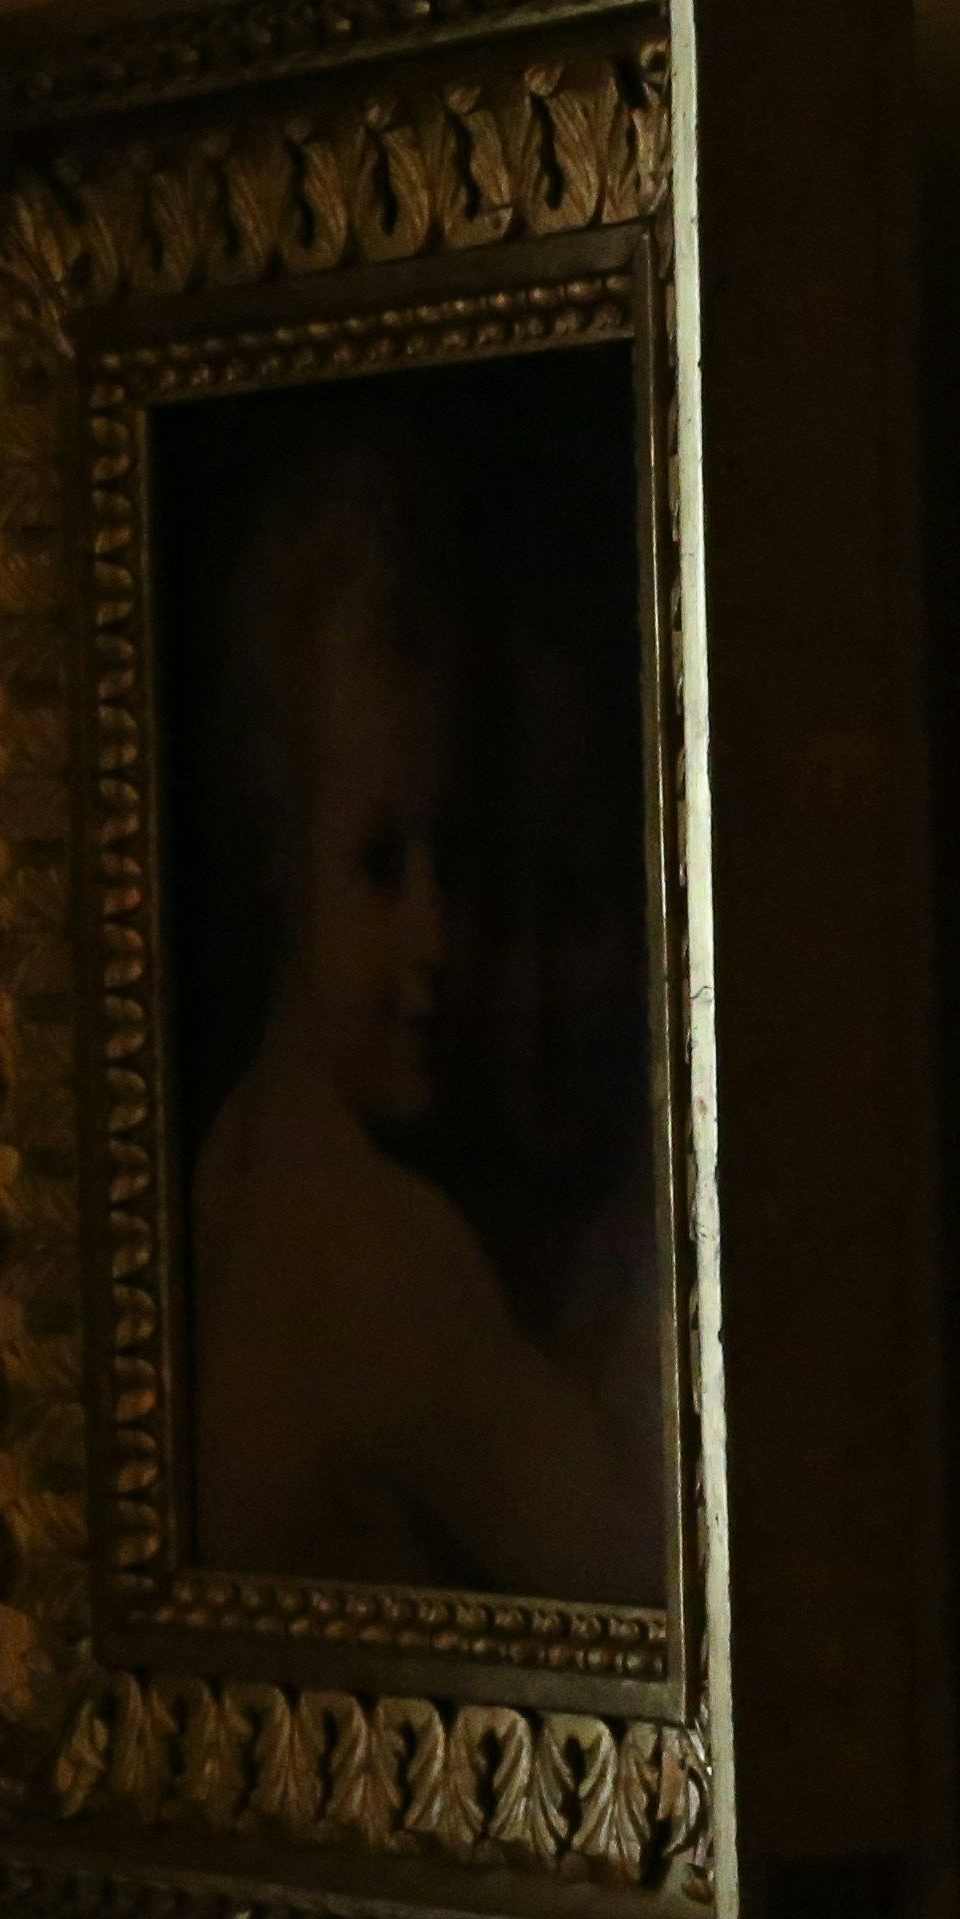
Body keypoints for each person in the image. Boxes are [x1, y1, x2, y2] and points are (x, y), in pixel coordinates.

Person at [184, 419, 663, 1604]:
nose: (439, 938)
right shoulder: (370, 1253)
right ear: (282, 857)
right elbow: (653, 1570)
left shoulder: (257, 1146)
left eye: (460, 861)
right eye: (382, 866)